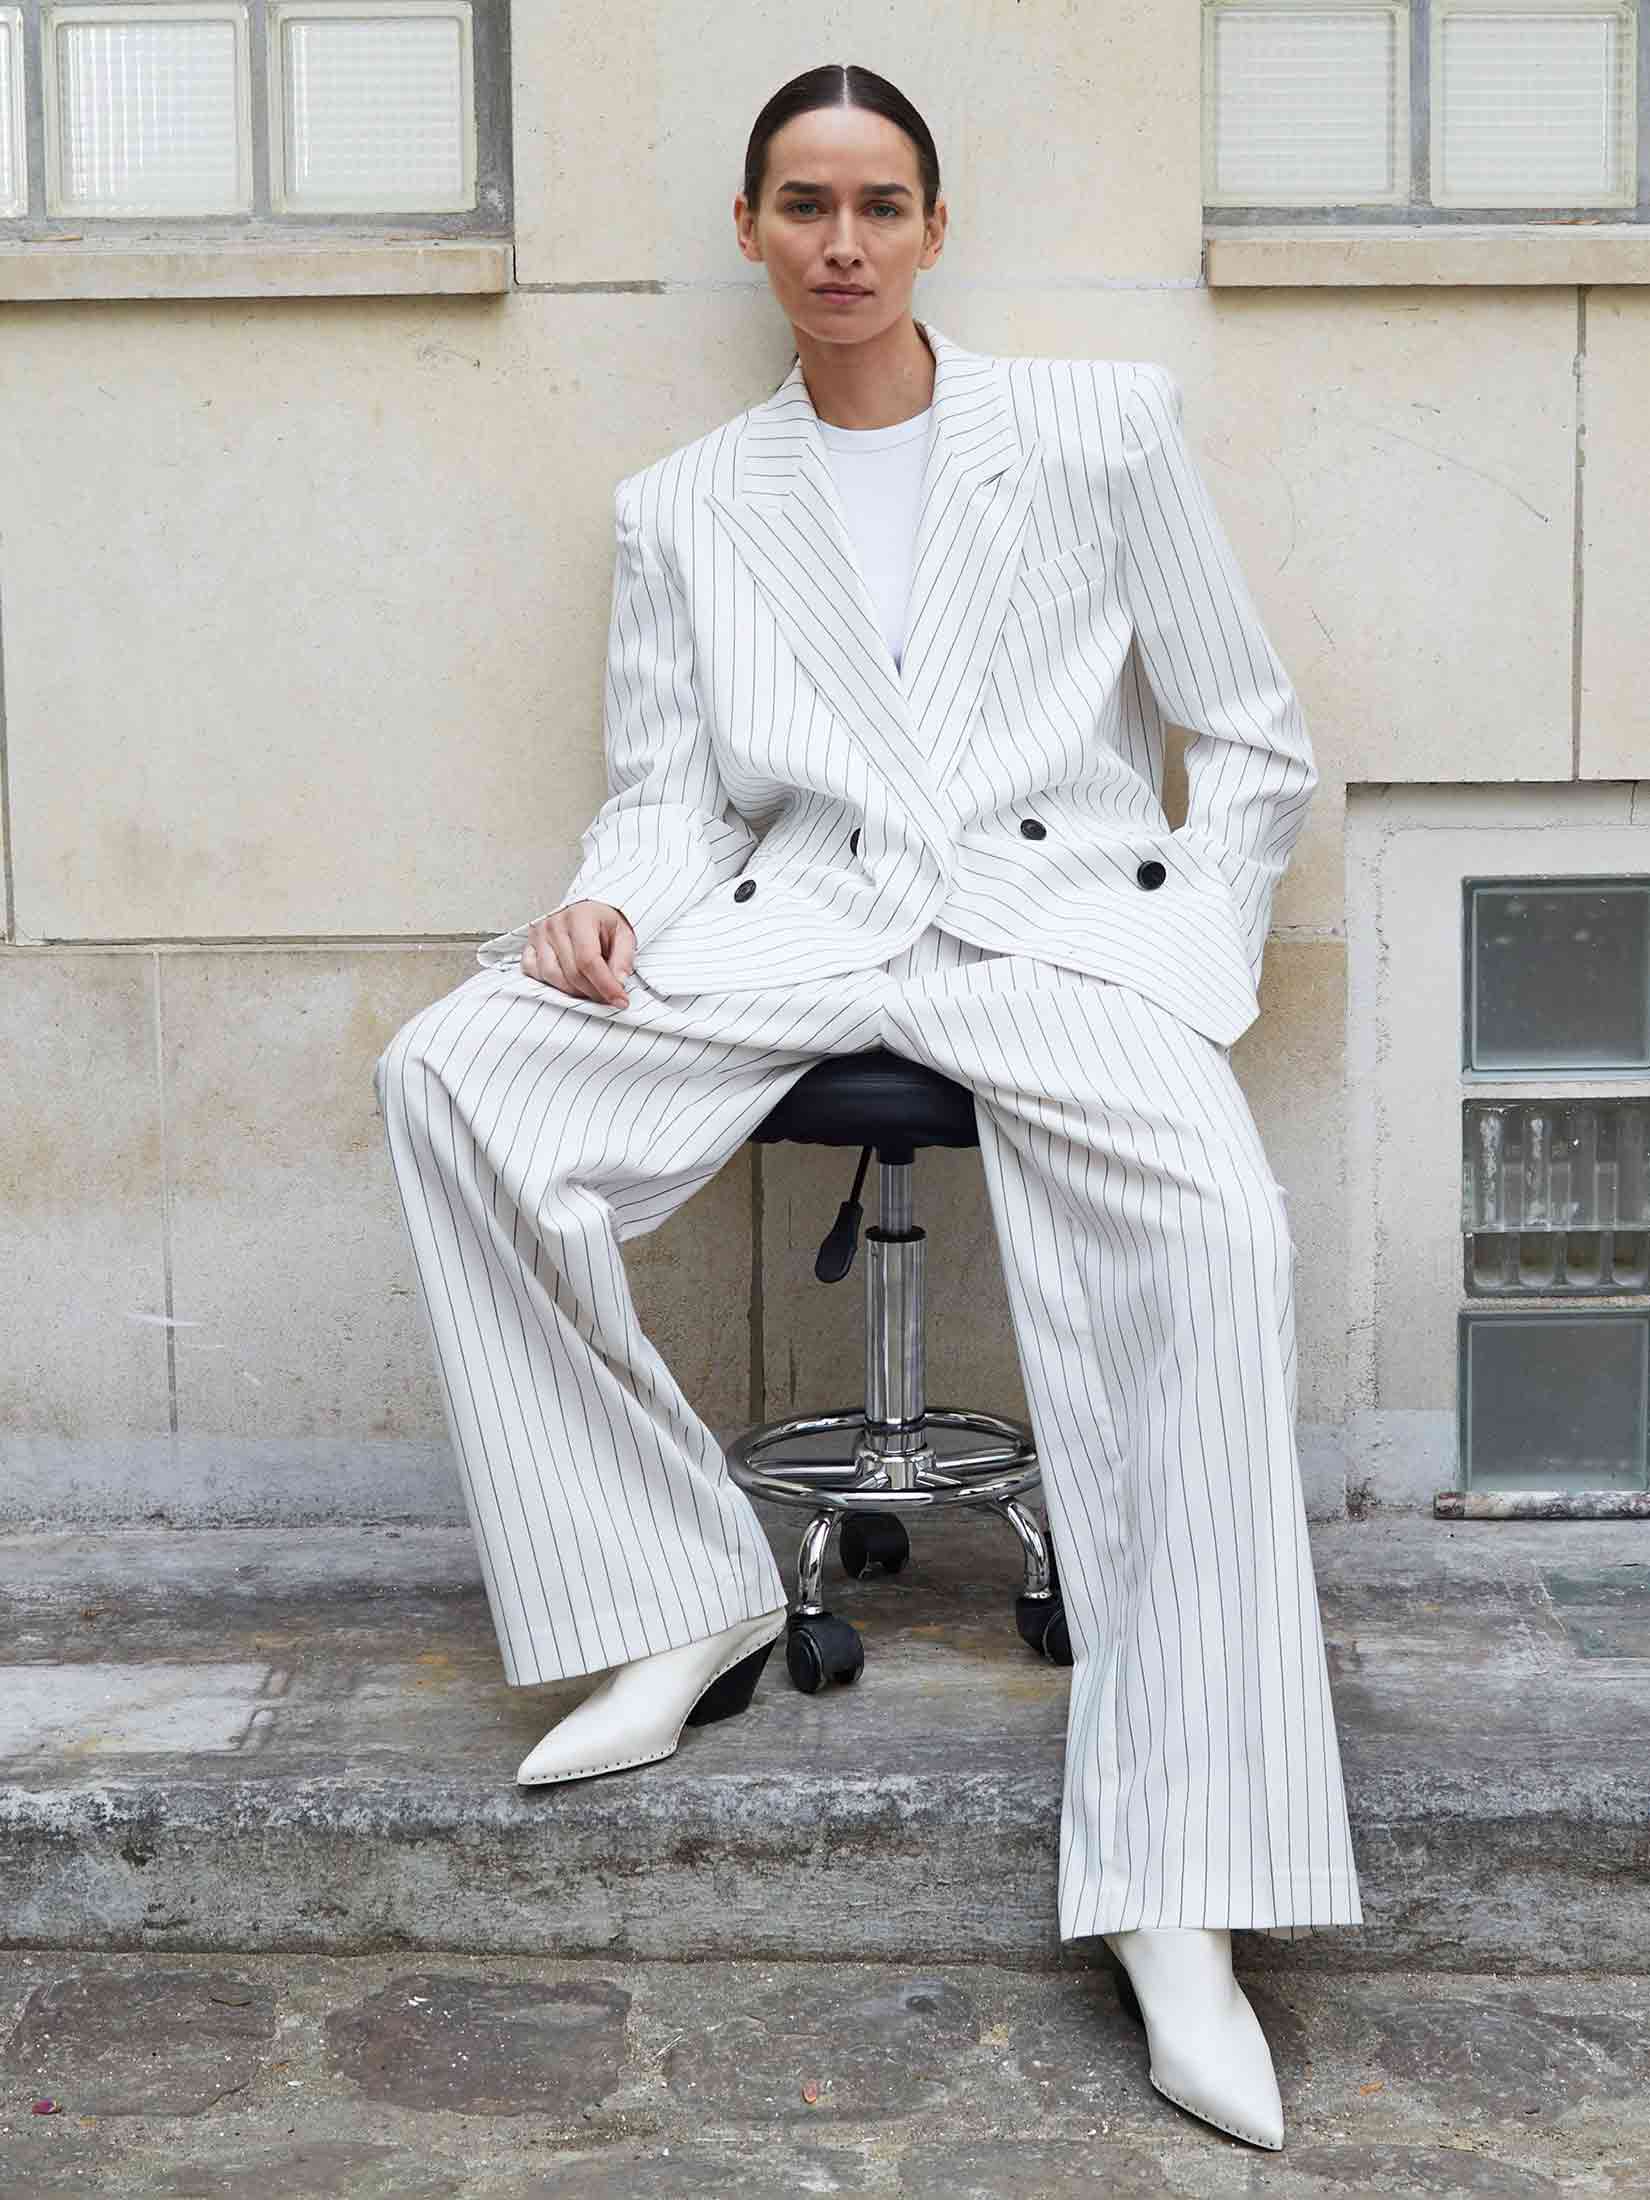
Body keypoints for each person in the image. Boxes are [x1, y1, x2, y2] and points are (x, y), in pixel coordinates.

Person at [372, 60, 1363, 2155]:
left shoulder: (1096, 430)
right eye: (804, 205)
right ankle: (681, 1593)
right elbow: (667, 792)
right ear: (750, 230)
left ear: (932, 226)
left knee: (1222, 1240)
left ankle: (1182, 1885)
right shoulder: (683, 504)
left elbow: (1250, 734)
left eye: (879, 204)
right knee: (451, 1071)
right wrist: (606, 903)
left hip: (1058, 935)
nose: (841, 242)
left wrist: (1181, 954)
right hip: (800, 924)